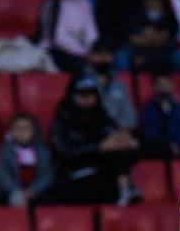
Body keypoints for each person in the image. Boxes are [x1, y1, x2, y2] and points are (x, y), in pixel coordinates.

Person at [50, 76, 141, 206]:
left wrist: (130, 143)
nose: (88, 99)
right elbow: (63, 151)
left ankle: (125, 190)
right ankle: (124, 190)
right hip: (75, 176)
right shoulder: (63, 120)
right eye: (82, 95)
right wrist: (99, 147)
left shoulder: (103, 117)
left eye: (91, 94)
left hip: (103, 173)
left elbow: (118, 141)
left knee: (120, 149)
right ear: (72, 96)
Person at [0, 114, 56, 207]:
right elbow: (3, 175)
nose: (22, 132)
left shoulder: (43, 151)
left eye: (26, 128)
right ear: (11, 131)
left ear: (34, 131)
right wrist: (16, 191)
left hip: (38, 192)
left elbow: (46, 175)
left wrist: (33, 190)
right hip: (12, 192)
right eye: (18, 128)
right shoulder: (6, 151)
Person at [138, 73, 180, 160]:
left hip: (177, 145)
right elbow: (149, 131)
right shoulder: (148, 108)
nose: (164, 87)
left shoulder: (179, 108)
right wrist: (167, 145)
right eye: (160, 84)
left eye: (166, 84)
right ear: (154, 87)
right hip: (157, 146)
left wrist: (176, 144)